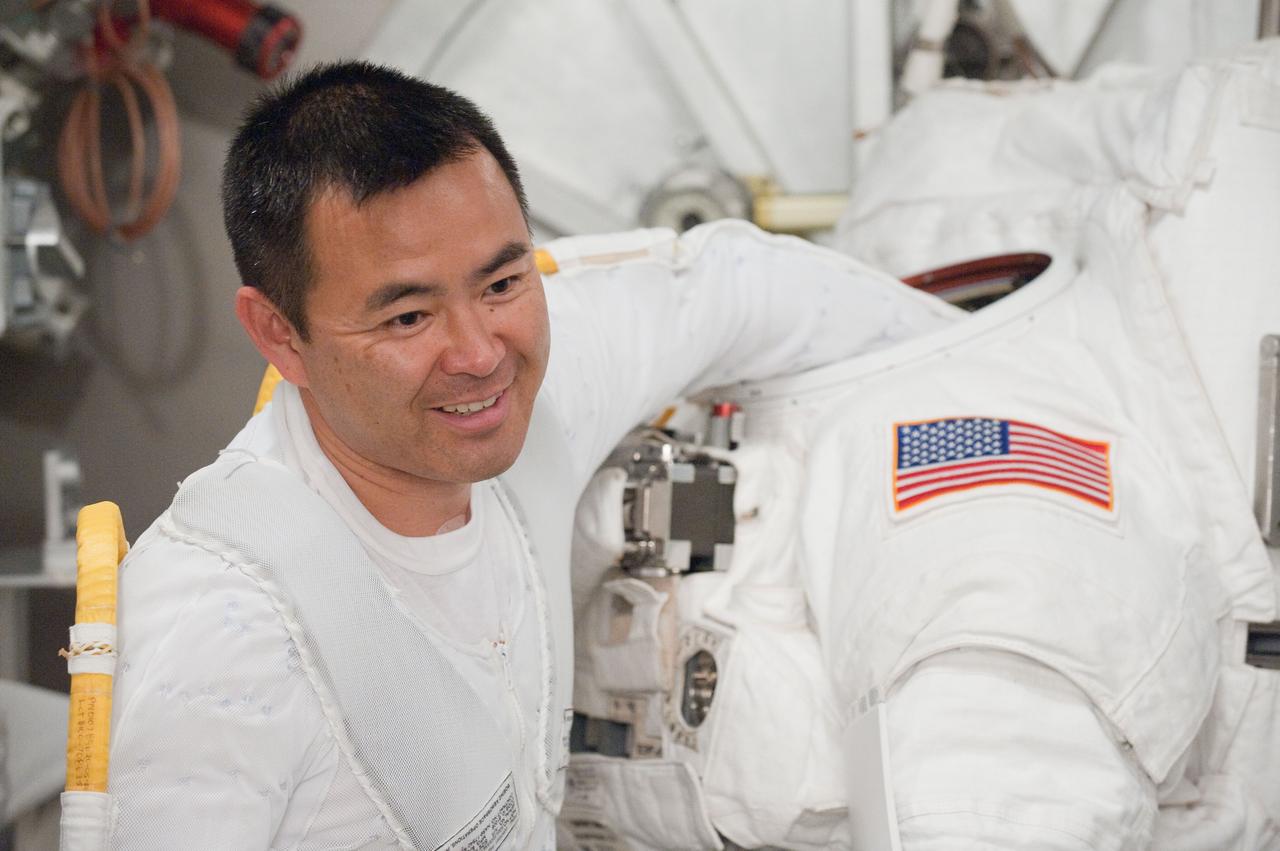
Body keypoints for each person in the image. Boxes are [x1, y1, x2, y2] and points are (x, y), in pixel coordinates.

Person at [98, 61, 958, 849]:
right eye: (407, 318)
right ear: (278, 333)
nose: (480, 352)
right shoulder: (220, 639)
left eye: (502, 282)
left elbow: (729, 288)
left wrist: (991, 364)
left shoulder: (535, 399)